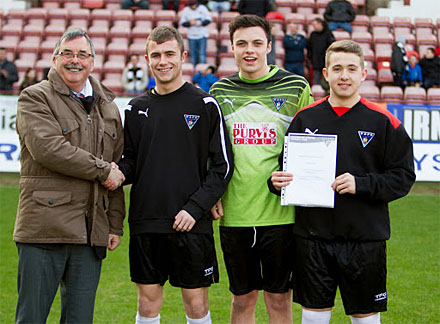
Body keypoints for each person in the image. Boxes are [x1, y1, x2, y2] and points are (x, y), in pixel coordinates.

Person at [269, 40, 415, 324]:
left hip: (364, 240)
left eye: (351, 69)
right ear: (325, 73)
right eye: (337, 69)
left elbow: (403, 177)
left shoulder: (384, 121)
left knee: (364, 318)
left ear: (363, 74)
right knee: (312, 318)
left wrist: (362, 184)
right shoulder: (304, 117)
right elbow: (284, 170)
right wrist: (275, 182)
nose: (344, 76)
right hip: (312, 238)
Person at [106, 26, 233, 324]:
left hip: (191, 222)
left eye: (169, 54)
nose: (163, 61)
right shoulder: (135, 108)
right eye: (156, 55)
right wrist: (117, 173)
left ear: (183, 56)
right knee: (147, 305)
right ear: (147, 59)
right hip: (146, 220)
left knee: (197, 305)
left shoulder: (204, 104)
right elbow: (132, 161)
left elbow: (223, 165)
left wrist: (195, 207)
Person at [14, 28, 126, 323]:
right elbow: (48, 149)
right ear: (54, 59)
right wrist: (102, 170)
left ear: (93, 62)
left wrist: (114, 224)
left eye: (82, 55)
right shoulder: (34, 97)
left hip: (91, 232)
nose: (74, 60)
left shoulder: (109, 106)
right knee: (31, 318)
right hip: (43, 229)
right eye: (67, 53)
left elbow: (117, 169)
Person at [209, 14, 313, 324]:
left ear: (269, 46)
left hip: (281, 214)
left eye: (257, 43)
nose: (249, 50)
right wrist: (212, 193)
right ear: (232, 48)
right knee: (242, 300)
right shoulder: (219, 92)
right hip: (235, 212)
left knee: (279, 300)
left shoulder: (296, 86)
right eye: (242, 43)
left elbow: (309, 143)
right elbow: (211, 152)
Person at [180, 0, 212, 66]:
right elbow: (182, 22)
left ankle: (202, 69)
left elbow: (209, 19)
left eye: (194, 5)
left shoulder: (202, 8)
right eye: (192, 5)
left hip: (202, 35)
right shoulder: (186, 10)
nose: (193, 6)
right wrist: (190, 23)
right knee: (192, 55)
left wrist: (202, 23)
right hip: (191, 36)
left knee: (202, 54)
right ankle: (194, 70)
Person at [307, 18, 335, 86]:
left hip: (326, 61)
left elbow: (332, 47)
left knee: (327, 81)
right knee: (316, 82)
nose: (314, 27)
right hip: (315, 61)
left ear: (320, 24)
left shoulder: (328, 34)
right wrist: (310, 57)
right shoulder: (313, 34)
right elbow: (309, 47)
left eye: (315, 25)